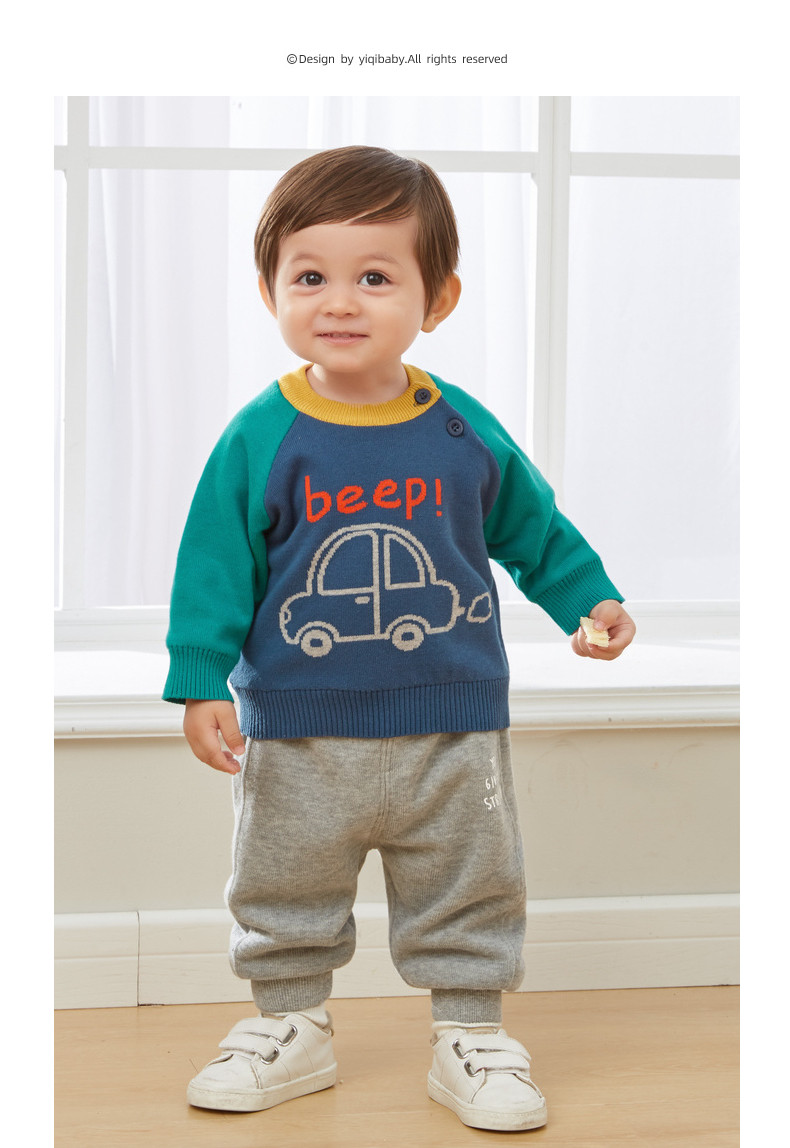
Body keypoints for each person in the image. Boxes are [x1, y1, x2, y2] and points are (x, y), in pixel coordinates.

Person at [163, 144, 636, 1133]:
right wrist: (201, 678)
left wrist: (587, 600)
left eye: (375, 277)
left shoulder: (459, 429)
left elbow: (533, 528)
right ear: (270, 291)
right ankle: (290, 1023)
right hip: (299, 726)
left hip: (451, 722)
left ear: (438, 298)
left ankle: (471, 1033)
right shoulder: (261, 436)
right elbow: (213, 563)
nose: (340, 302)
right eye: (310, 277)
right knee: (282, 885)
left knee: (469, 883)